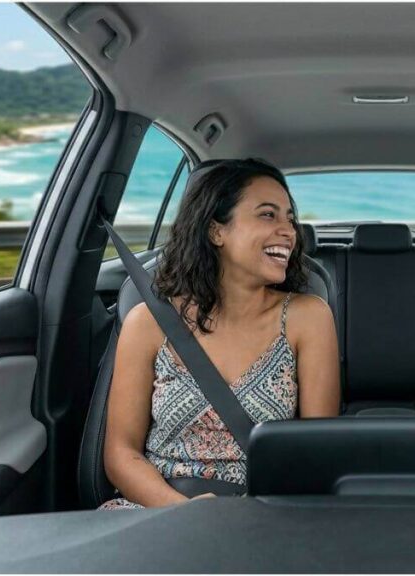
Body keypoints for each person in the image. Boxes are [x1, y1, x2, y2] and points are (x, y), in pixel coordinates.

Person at [101, 159, 340, 509]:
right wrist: (184, 512)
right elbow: (121, 454)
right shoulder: (147, 323)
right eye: (268, 215)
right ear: (217, 231)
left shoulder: (308, 317)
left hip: (264, 512)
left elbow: (317, 454)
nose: (289, 231)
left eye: (290, 218)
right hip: (157, 511)